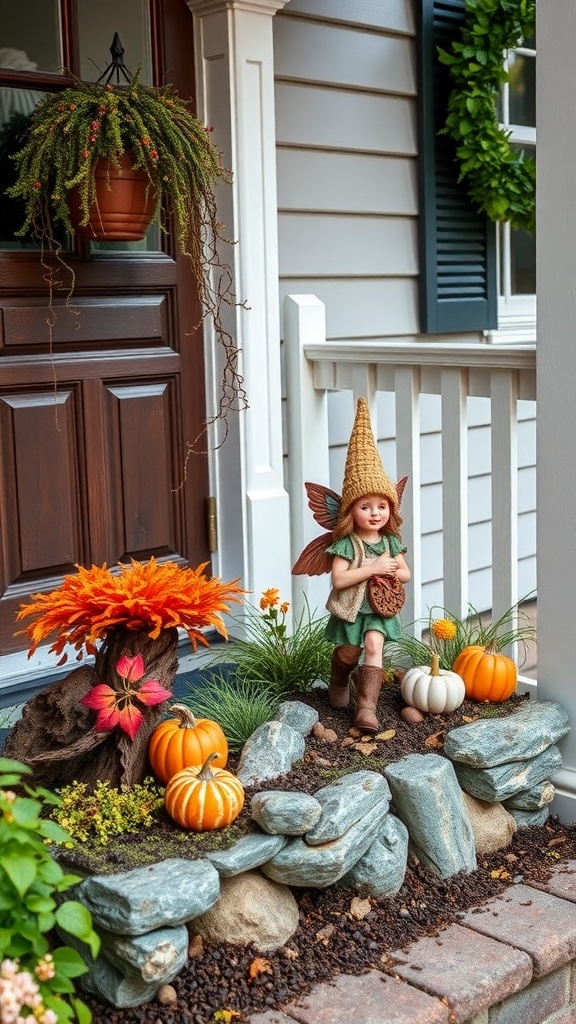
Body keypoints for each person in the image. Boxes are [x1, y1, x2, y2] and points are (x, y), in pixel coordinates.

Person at [292, 397, 410, 733]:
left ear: (391, 509)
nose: (375, 513)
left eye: (381, 506)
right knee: (348, 652)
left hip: (379, 610)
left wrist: (392, 570)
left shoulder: (390, 542)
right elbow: (340, 579)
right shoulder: (347, 543)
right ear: (350, 512)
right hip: (351, 610)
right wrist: (373, 568)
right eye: (366, 506)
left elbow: (404, 572)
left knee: (374, 646)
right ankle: (339, 677)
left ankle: (366, 710)